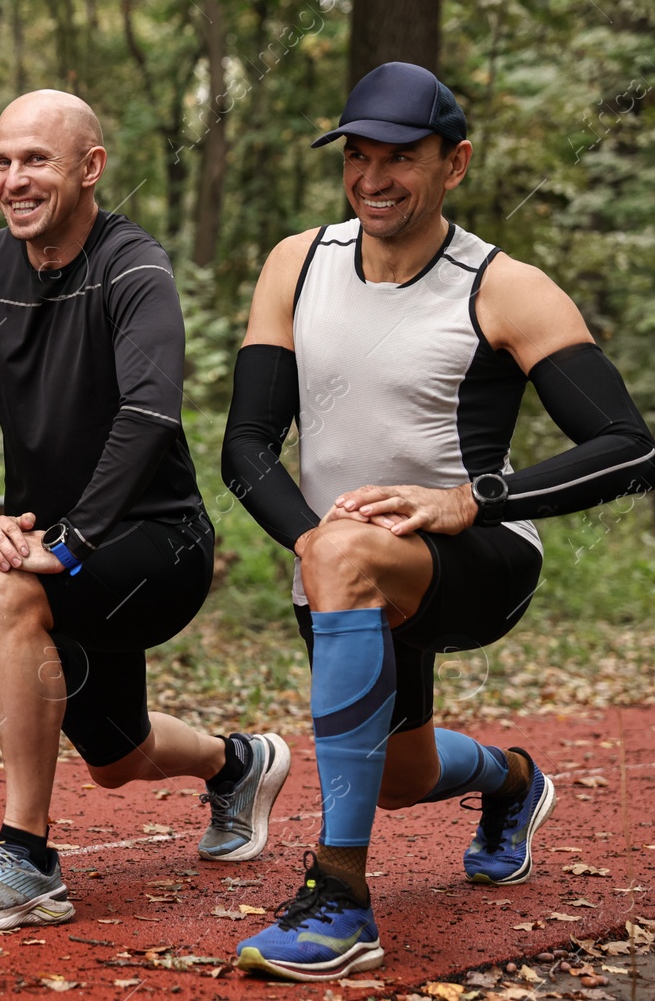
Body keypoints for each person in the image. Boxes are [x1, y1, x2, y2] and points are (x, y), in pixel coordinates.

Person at [223, 62, 655, 981]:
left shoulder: (504, 286)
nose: (373, 178)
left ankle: (339, 896)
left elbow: (629, 447)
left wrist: (470, 500)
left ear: (454, 164)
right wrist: (314, 543)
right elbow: (247, 448)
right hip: (342, 564)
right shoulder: (296, 263)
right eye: (358, 157)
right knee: (403, 775)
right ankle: (512, 779)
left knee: (349, 561)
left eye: (401, 158)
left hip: (481, 555)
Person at [0, 90, 291, 933]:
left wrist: (70, 544)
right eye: (3, 160)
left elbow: (148, 414)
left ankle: (26, 857)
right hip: (51, 544)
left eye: (36, 159)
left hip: (157, 542)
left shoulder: (134, 266)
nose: (14, 178)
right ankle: (239, 764)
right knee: (120, 756)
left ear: (91, 166)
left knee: (5, 592)